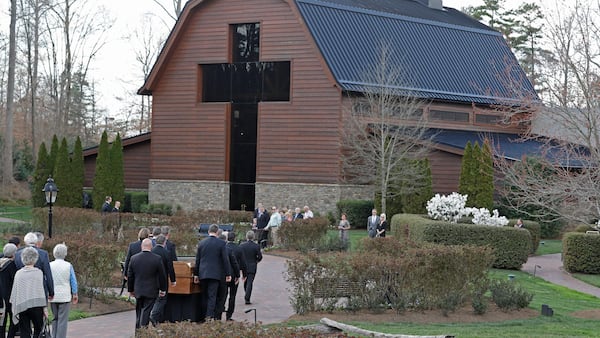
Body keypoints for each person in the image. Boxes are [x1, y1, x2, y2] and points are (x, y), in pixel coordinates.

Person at [193, 224, 232, 321]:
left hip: (203, 273)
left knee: (204, 295)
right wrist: (228, 274)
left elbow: (197, 259)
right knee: (212, 296)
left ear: (208, 231)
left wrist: (196, 274)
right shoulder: (221, 243)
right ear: (217, 232)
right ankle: (209, 317)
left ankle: (202, 316)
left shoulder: (202, 243)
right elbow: (225, 260)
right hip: (215, 274)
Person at [127, 238, 167, 329]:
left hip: (138, 290)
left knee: (139, 311)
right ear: (151, 247)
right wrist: (163, 289)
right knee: (146, 310)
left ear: (142, 246)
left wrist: (130, 289)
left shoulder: (134, 258)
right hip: (151, 290)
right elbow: (162, 276)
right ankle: (143, 330)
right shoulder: (157, 259)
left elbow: (130, 276)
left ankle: (138, 331)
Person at [10, 247, 47, 338]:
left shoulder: (18, 273)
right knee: (38, 330)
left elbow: (15, 291)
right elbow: (42, 290)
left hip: (22, 305)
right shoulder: (39, 272)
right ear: (35, 258)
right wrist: (45, 307)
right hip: (37, 306)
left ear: (23, 258)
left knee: (24, 331)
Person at [49, 243, 78, 338]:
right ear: (65, 253)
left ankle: (54, 335)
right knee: (62, 320)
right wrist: (75, 293)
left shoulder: (50, 265)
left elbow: (47, 280)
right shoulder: (68, 265)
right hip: (65, 296)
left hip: (53, 296)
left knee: (55, 318)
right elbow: (73, 280)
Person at [14, 232, 54, 300]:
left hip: (23, 287)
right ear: (36, 241)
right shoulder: (43, 254)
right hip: (39, 288)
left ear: (25, 241)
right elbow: (48, 274)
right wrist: (51, 291)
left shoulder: (17, 254)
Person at [149, 235, 176, 325]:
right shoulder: (166, 253)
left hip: (151, 279)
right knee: (162, 299)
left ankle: (156, 318)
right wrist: (173, 280)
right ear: (164, 243)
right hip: (162, 279)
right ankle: (154, 316)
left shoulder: (151, 251)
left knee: (153, 298)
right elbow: (170, 268)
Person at [224, 231, 246, 321]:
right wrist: (243, 274)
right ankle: (229, 315)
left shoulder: (224, 247)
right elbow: (243, 263)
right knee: (232, 296)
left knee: (223, 294)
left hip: (224, 274)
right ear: (235, 238)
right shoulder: (239, 248)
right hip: (234, 275)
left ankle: (220, 310)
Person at [239, 230, 262, 305]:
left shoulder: (242, 245)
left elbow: (239, 256)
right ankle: (247, 297)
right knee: (250, 282)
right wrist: (256, 261)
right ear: (253, 237)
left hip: (244, 266)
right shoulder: (256, 246)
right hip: (252, 265)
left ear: (246, 237)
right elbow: (260, 256)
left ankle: (247, 294)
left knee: (246, 281)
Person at [0, 243, 18, 338]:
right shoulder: (11, 265)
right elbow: (15, 280)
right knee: (14, 321)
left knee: (1, 323)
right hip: (10, 298)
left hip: (0, 298)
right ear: (13, 254)